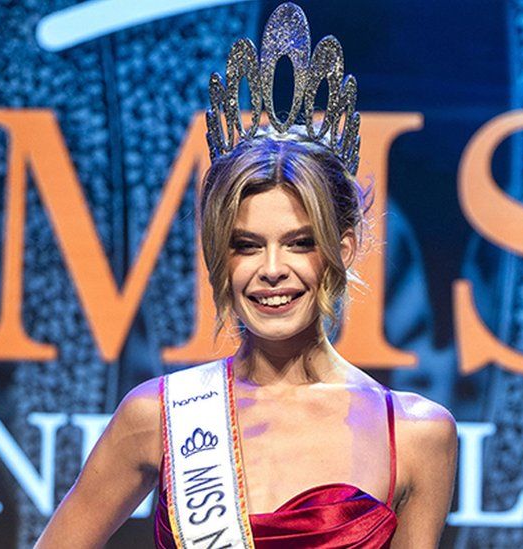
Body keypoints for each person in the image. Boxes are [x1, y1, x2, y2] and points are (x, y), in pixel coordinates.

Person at [36, 4, 456, 548]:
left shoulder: (419, 434)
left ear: (341, 250)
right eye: (247, 246)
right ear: (220, 258)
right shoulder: (157, 415)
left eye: (300, 243)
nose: (272, 270)